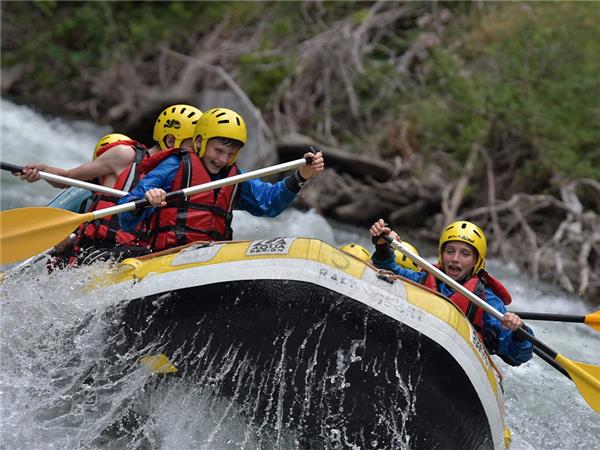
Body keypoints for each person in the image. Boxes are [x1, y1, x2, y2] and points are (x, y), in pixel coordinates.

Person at [118, 107, 325, 252]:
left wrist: (301, 176)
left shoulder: (234, 177)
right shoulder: (175, 166)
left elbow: (268, 203)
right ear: (199, 142)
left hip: (210, 258)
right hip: (166, 256)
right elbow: (126, 216)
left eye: (230, 154)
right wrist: (148, 199)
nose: (222, 159)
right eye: (218, 150)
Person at [369, 218, 534, 366]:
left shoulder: (487, 301)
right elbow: (389, 270)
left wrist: (520, 332)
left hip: (457, 365)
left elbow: (518, 355)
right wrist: (382, 246)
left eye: (465, 254)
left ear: (476, 262)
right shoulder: (425, 279)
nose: (455, 258)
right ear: (441, 255)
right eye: (450, 251)